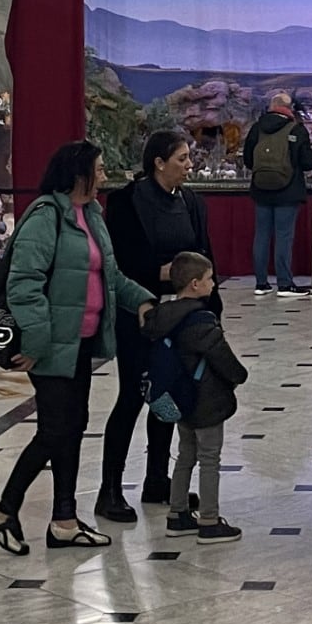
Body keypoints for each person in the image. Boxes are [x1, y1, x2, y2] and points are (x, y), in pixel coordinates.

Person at [0, 141, 155, 555]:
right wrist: (36, 342)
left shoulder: (92, 215)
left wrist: (146, 301)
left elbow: (110, 277)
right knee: (54, 430)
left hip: (79, 342)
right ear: (78, 173)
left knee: (72, 428)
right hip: (49, 346)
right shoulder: (46, 216)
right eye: (98, 169)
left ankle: (63, 520)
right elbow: (23, 285)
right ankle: (5, 510)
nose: (103, 176)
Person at [99, 129, 220, 522]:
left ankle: (157, 478)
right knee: (133, 396)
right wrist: (161, 273)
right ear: (159, 162)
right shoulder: (125, 203)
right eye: (182, 159)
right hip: (140, 313)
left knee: (168, 396)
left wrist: (208, 311)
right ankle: (110, 488)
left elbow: (204, 259)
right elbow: (120, 264)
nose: (189, 165)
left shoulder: (192, 203)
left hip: (182, 316)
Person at [149, 252, 247, 544]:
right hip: (206, 398)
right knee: (209, 459)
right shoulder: (200, 321)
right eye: (209, 279)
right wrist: (239, 376)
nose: (214, 284)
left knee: (184, 455)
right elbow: (222, 357)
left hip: (179, 397)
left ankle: (177, 514)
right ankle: (209, 519)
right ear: (194, 284)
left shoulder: (163, 315)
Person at [243, 92, 312, 296]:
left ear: (271, 105)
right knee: (284, 236)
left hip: (261, 190)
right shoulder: (297, 129)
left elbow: (248, 160)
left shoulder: (257, 128)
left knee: (262, 235)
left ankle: (261, 283)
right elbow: (308, 162)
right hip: (288, 190)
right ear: (289, 107)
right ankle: (284, 283)